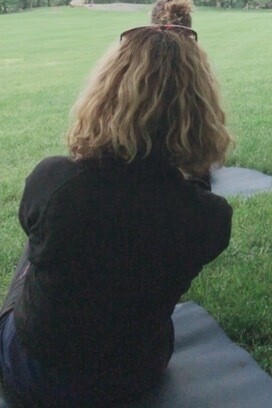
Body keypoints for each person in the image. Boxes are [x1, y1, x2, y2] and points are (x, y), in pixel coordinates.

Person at [0, 25, 233, 408]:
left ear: (106, 94)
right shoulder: (210, 218)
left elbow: (40, 223)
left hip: (34, 376)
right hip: (135, 376)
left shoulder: (57, 182)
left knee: (36, 246)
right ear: (198, 109)